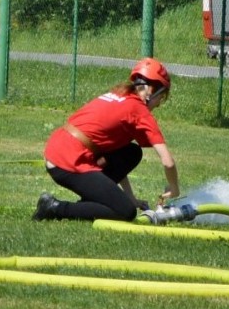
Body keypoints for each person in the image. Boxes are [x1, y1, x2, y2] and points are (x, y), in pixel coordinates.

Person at [33, 57, 180, 222]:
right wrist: (174, 189)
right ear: (151, 92)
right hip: (68, 160)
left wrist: (129, 196)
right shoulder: (139, 111)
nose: (157, 106)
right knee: (126, 212)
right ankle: (54, 207)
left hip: (60, 149)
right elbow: (168, 162)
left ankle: (90, 204)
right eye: (160, 99)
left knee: (132, 152)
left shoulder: (119, 94)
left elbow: (117, 157)